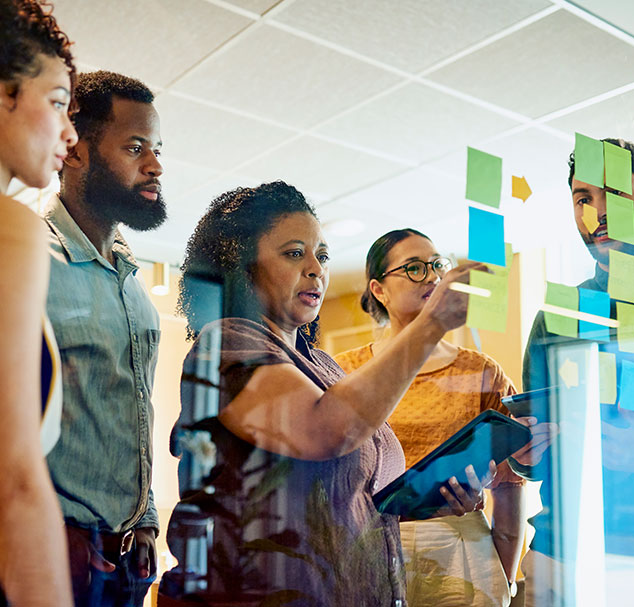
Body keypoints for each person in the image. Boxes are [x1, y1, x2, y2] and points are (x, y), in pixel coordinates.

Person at [160, 181, 500, 606]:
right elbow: (325, 430)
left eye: (321, 256)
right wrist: (431, 325)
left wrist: (435, 499)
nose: (316, 269)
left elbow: (360, 499)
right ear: (243, 267)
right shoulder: (226, 345)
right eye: (293, 253)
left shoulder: (324, 365)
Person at [334, 228, 526, 607]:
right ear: (379, 290)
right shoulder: (344, 371)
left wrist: (503, 573)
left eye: (438, 265)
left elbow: (509, 486)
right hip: (371, 546)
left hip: (463, 546)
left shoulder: (482, 372)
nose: (434, 276)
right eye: (415, 268)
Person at [44, 70, 166, 607]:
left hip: (126, 561)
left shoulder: (133, 285)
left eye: (158, 148)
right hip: (51, 551)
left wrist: (146, 519)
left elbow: (130, 412)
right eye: (135, 146)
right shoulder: (29, 261)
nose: (156, 164)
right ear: (74, 151)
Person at [520, 138, 634, 606]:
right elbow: (540, 450)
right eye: (583, 198)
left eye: (612, 192)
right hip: (565, 553)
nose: (596, 213)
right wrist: (524, 451)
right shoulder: (561, 314)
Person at [0, 0, 77, 604]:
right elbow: (15, 479)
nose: (68, 132)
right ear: (4, 96)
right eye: (56, 103)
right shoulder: (11, 228)